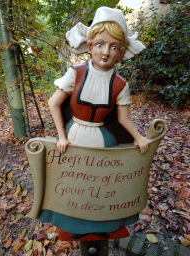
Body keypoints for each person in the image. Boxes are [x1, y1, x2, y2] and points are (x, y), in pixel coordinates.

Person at [40, 6, 148, 236]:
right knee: (72, 182)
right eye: (100, 44)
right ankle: (72, 226)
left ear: (121, 53)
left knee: (102, 184)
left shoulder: (120, 84)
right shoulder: (76, 73)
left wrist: (139, 138)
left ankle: (103, 226)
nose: (105, 52)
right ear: (90, 46)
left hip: (102, 139)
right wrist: (61, 136)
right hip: (74, 135)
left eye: (113, 47)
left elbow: (123, 118)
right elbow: (53, 102)